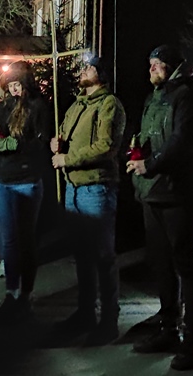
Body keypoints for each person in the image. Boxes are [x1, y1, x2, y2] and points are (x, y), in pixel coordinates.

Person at [126, 44, 193, 371]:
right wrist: (136, 152)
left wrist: (151, 164)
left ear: (172, 66)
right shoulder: (153, 98)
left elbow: (181, 141)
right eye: (150, 64)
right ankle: (168, 329)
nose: (151, 69)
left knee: (186, 265)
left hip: (177, 193)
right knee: (161, 265)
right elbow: (149, 136)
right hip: (153, 192)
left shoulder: (186, 97)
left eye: (157, 64)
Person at [49, 53, 126, 346]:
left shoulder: (109, 104)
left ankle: (109, 320)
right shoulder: (77, 104)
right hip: (74, 187)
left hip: (96, 187)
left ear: (101, 74)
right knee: (81, 255)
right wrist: (57, 142)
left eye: (89, 68)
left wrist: (68, 159)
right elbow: (64, 136)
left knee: (102, 256)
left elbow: (105, 146)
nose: (83, 71)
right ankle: (85, 313)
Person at [0, 60, 52, 325]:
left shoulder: (38, 107)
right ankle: (11, 293)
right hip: (1, 180)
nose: (14, 89)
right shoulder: (2, 108)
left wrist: (18, 145)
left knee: (25, 239)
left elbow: (41, 141)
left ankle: (26, 294)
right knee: (8, 239)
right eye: (11, 85)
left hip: (26, 180)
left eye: (18, 84)